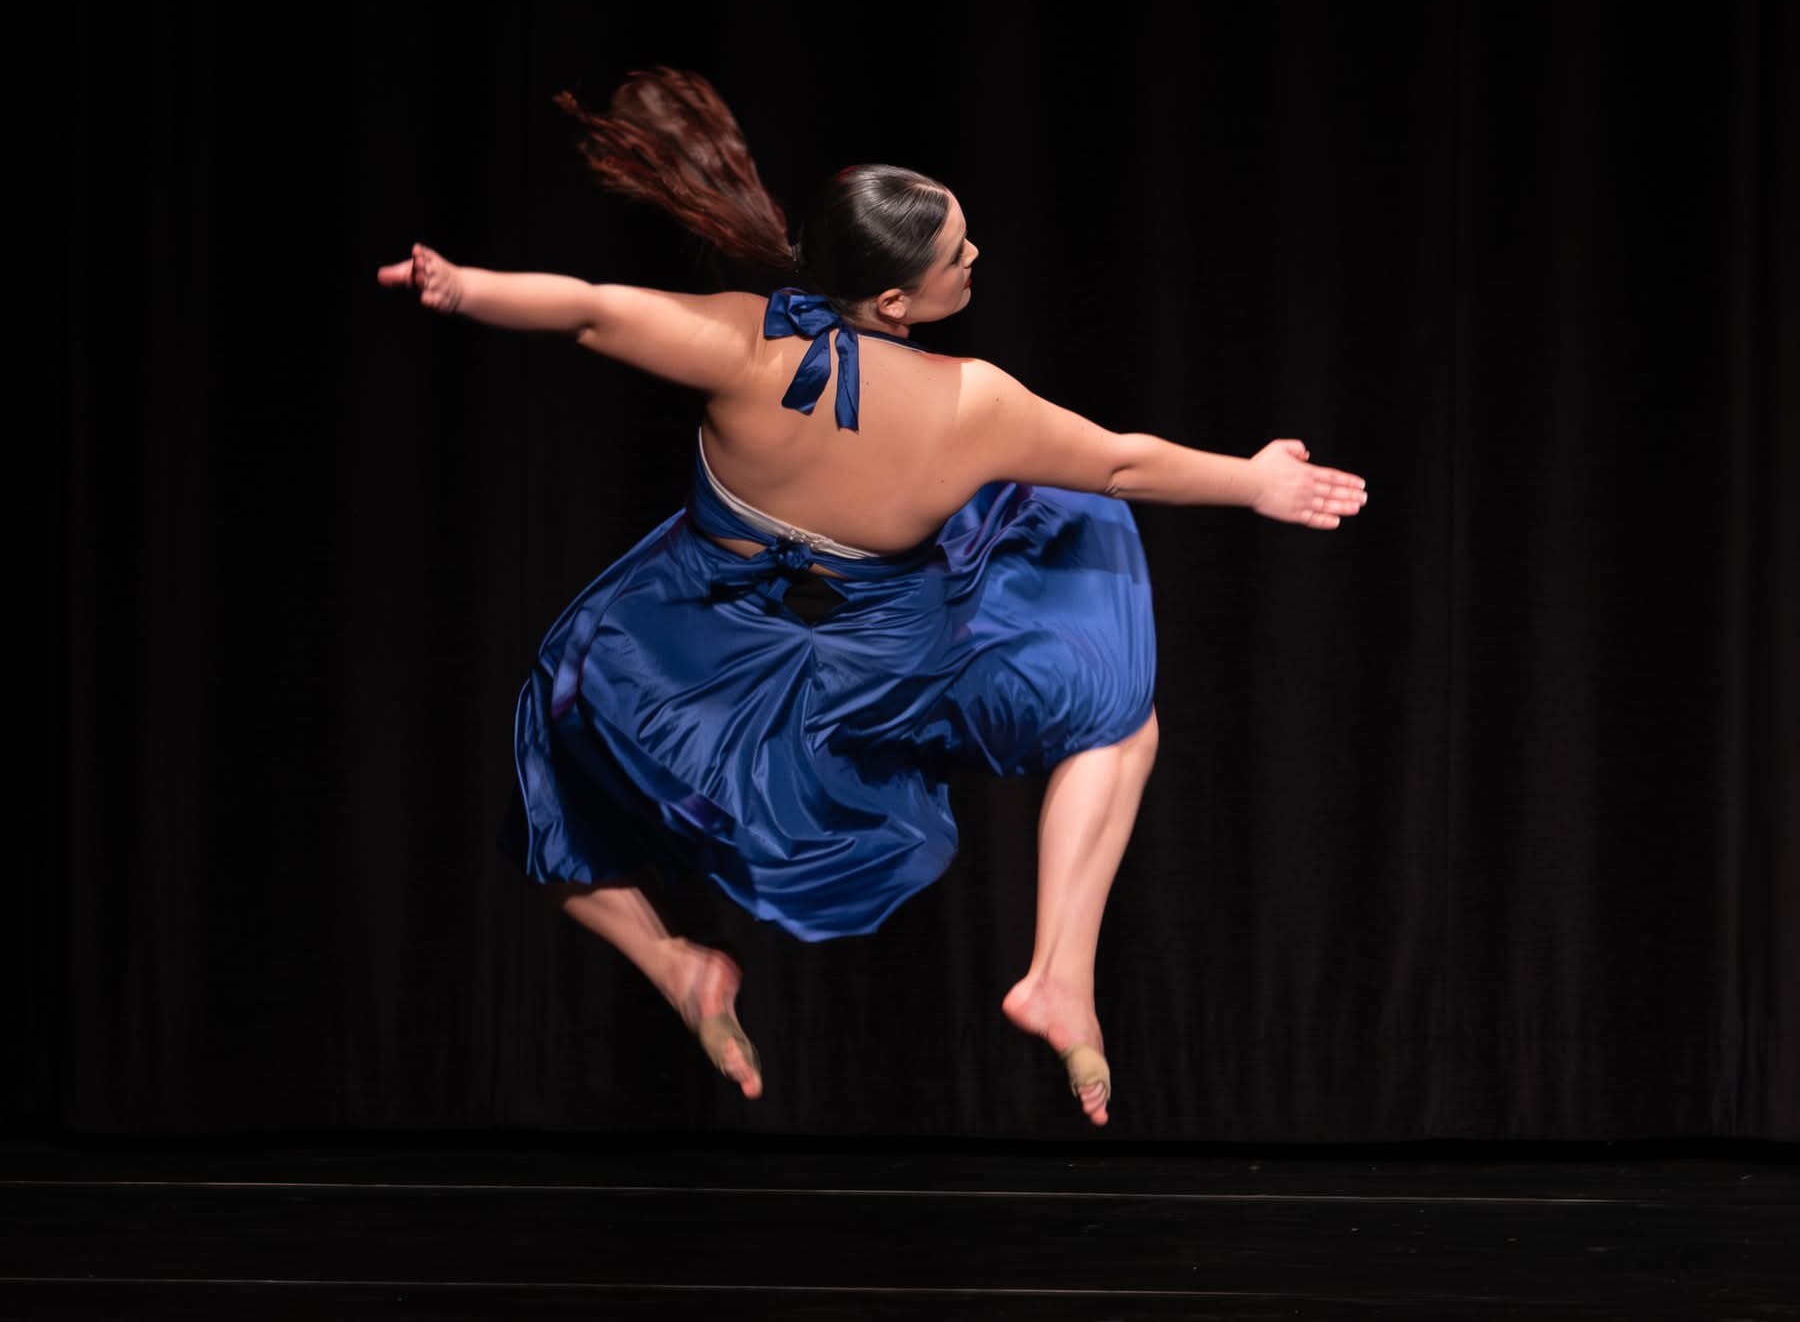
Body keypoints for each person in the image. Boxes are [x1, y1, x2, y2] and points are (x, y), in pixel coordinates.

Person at [376, 67, 1367, 1126]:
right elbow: (1122, 467)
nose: (976, 256)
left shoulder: (743, 344)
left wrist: (464, 287)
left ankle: (676, 966)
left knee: (564, 746)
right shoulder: (971, 405)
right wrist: (1258, 480)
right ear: (894, 299)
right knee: (1117, 707)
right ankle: (1058, 973)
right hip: (879, 666)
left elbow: (585, 309)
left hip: (697, 650)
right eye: (958, 254)